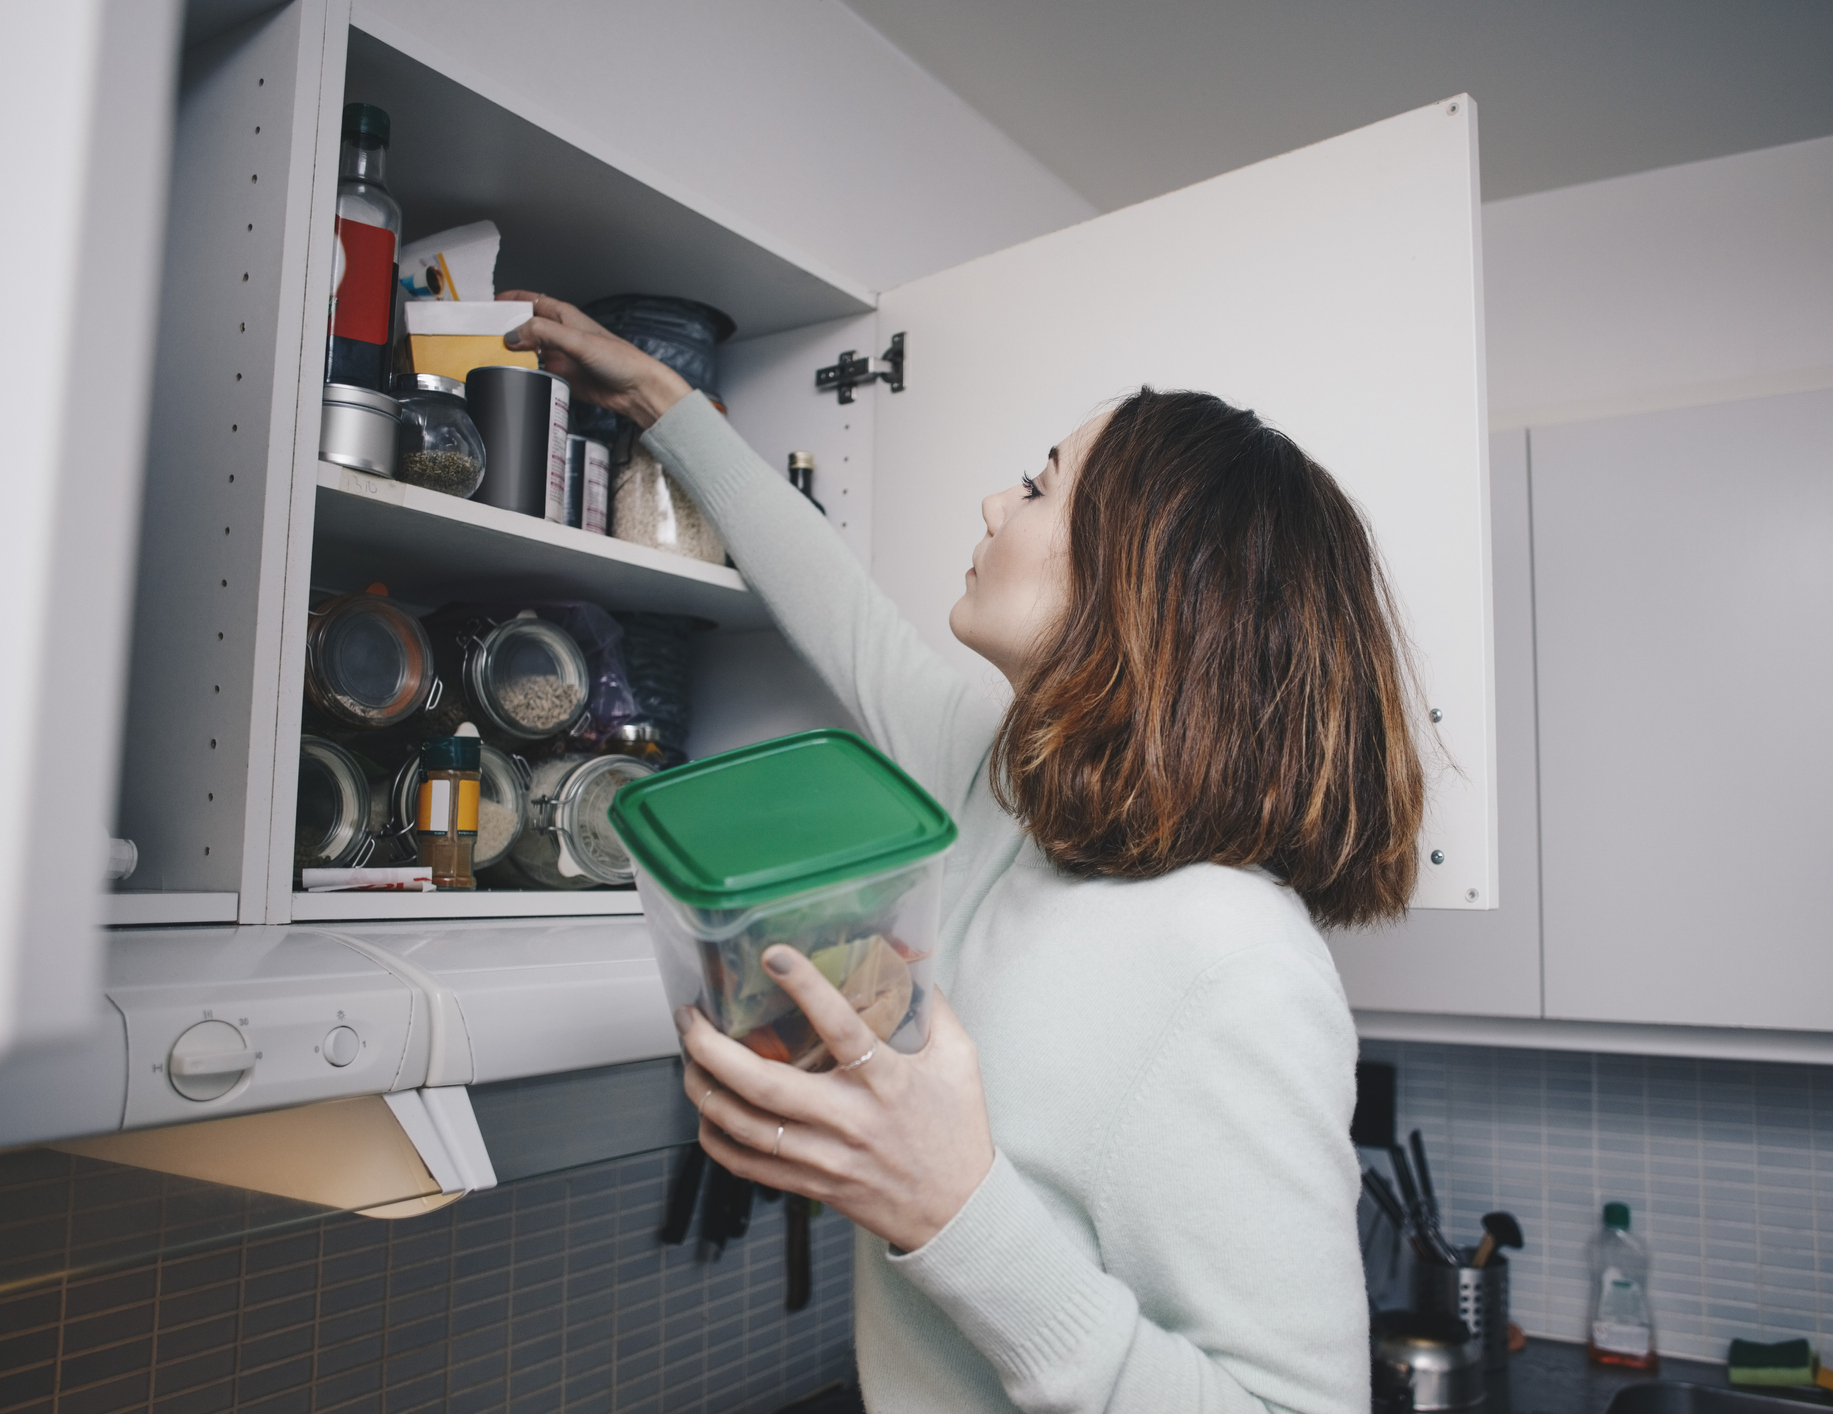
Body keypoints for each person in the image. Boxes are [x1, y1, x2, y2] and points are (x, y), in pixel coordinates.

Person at [502, 291, 1426, 1414]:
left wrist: (952, 1210)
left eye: (1039, 486)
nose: (997, 501)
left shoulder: (1235, 960)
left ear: (1145, 581)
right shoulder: (1003, 787)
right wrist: (660, 399)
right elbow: (842, 609)